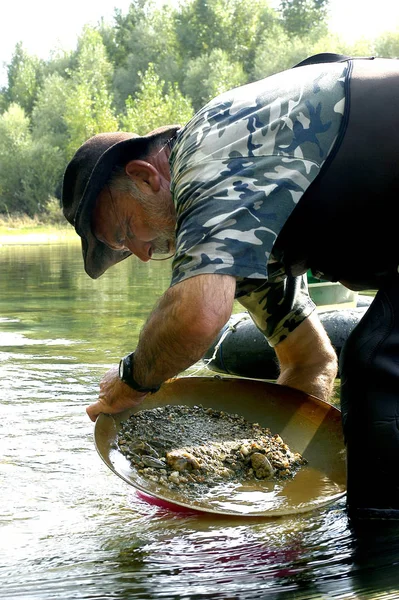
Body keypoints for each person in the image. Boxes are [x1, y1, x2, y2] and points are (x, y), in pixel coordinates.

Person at [62, 54, 399, 519]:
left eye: (124, 232)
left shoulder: (205, 150)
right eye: (123, 250)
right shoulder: (244, 234)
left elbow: (197, 315)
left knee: (377, 361)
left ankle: (378, 570)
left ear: (145, 176)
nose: (139, 254)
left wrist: (132, 379)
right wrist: (268, 480)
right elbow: (311, 360)